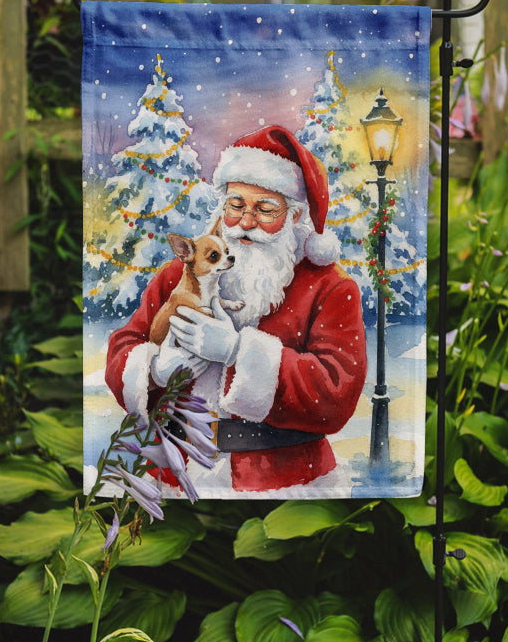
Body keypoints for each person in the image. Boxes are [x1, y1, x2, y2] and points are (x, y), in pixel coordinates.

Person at [105, 125, 367, 493]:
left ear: (294, 216)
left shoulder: (329, 286)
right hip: (175, 476)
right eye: (236, 205)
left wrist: (237, 352)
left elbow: (337, 393)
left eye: (265, 210)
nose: (245, 222)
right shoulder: (182, 274)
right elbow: (123, 347)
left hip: (283, 480)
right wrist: (155, 370)